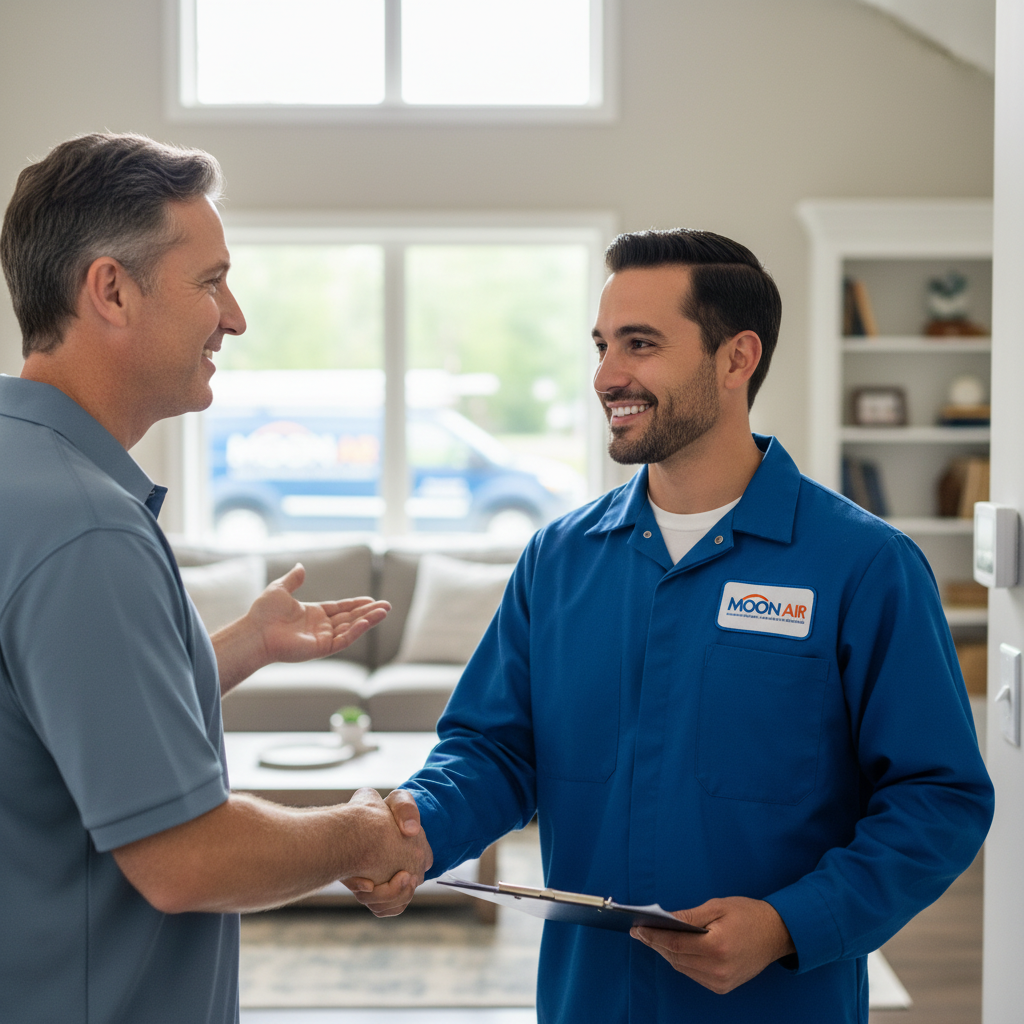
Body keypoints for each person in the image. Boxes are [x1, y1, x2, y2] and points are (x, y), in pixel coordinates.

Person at [352, 229, 995, 1023]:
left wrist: (787, 924)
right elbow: (494, 749)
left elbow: (939, 798)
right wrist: (421, 830)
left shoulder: (864, 566)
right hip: (589, 1001)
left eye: (641, 344)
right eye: (601, 345)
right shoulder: (559, 560)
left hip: (779, 1006)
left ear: (737, 359)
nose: (606, 375)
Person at [0, 133, 431, 1024]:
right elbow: (186, 858)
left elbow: (57, 717)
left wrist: (240, 646)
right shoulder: (88, 530)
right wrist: (360, 826)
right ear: (111, 289)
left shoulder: (20, 474)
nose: (233, 317)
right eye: (210, 282)